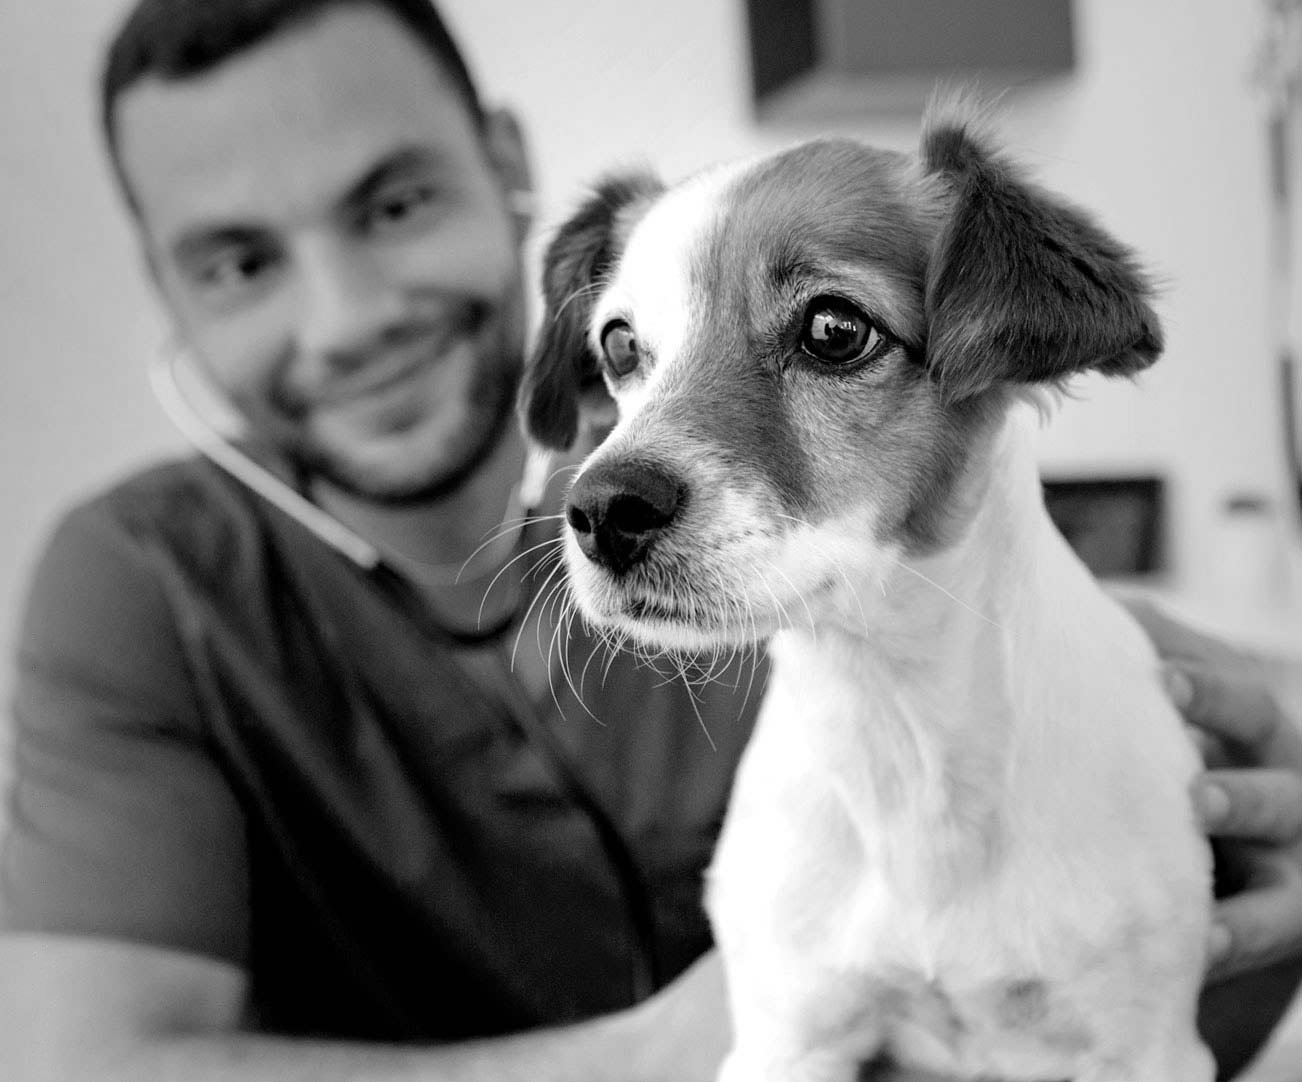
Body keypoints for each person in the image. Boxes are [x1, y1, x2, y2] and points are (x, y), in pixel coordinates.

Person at [0, 0, 1299, 1079]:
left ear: (503, 161)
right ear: (162, 284)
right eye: (235, 261)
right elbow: (86, 1062)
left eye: (392, 204)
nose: (344, 320)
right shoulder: (142, 581)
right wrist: (681, 1038)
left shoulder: (983, 632)